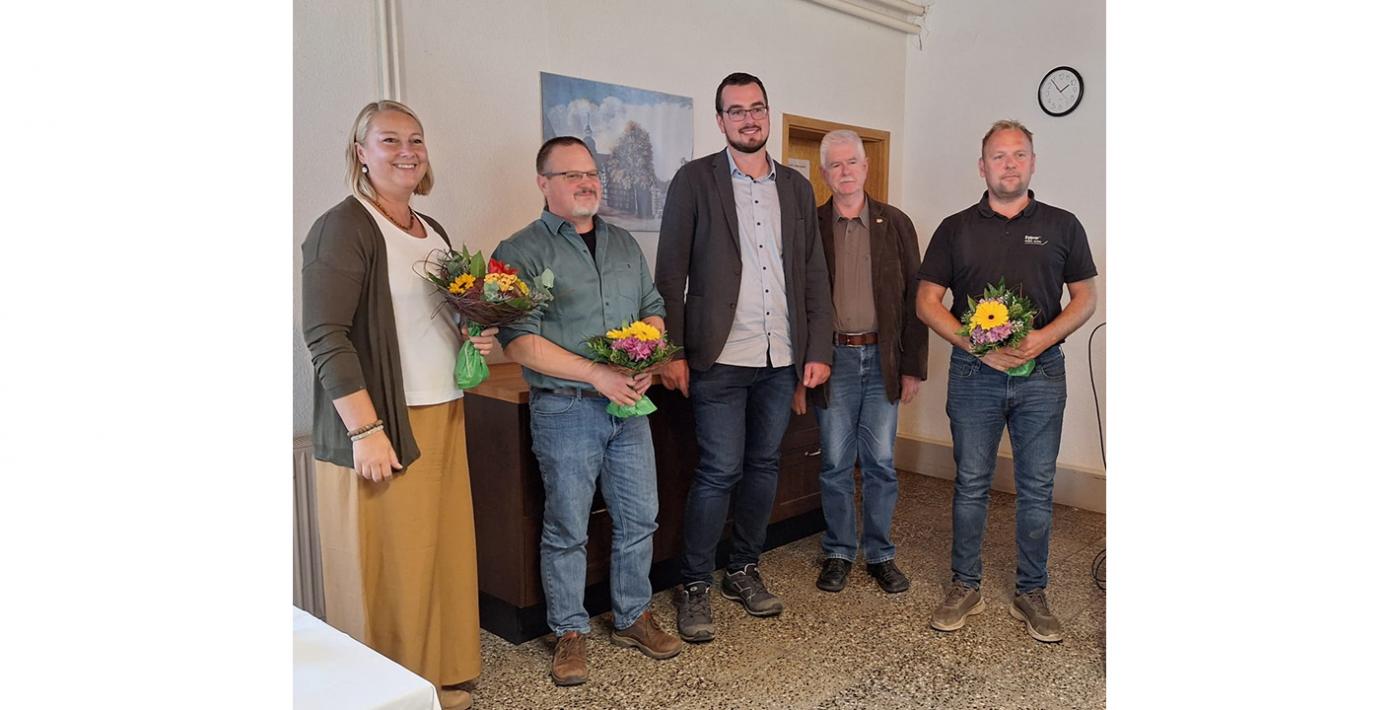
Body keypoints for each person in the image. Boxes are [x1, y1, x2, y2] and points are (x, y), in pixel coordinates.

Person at [301, 99, 496, 710]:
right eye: (389, 140)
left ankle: (435, 676)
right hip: (384, 420)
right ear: (361, 152)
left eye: (415, 139)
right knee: (389, 570)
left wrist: (471, 336)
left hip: (442, 409)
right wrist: (365, 431)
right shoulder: (344, 226)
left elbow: (431, 320)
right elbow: (325, 334)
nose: (407, 151)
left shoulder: (431, 229)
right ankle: (389, 694)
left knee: (438, 557)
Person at [492, 137, 683, 686]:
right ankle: (569, 631)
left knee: (639, 517)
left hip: (630, 407)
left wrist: (646, 356)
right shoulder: (520, 250)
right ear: (543, 183)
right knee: (568, 526)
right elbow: (517, 340)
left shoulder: (623, 242)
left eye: (591, 173)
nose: (586, 183)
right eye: (571, 174)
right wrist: (596, 373)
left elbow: (652, 308)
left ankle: (632, 616)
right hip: (566, 409)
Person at [655, 72, 834, 643]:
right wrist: (671, 351)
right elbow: (670, 273)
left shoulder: (797, 188)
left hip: (781, 356)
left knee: (764, 466)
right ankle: (694, 583)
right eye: (736, 111)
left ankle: (743, 569)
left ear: (767, 114)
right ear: (721, 121)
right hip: (719, 357)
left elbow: (813, 272)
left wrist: (817, 348)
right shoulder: (694, 180)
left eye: (757, 108)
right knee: (719, 469)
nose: (749, 119)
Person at [915, 119, 1098, 643]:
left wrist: (1042, 339)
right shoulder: (954, 228)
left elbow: (1086, 297)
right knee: (971, 482)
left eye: (1019, 154)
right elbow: (926, 302)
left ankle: (1031, 591)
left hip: (1043, 373)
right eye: (999, 156)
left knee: (1037, 486)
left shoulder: (1063, 225)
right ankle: (964, 585)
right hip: (975, 374)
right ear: (982, 167)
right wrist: (976, 346)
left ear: (1033, 163)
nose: (1009, 164)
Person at [795, 129, 928, 595]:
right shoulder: (810, 226)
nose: (845, 171)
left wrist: (912, 366)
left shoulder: (896, 223)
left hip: (883, 358)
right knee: (834, 463)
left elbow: (916, 298)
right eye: (835, 164)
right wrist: (801, 369)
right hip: (831, 360)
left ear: (866, 167)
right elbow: (799, 301)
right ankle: (838, 551)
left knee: (881, 463)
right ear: (824, 173)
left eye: (852, 162)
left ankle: (880, 554)